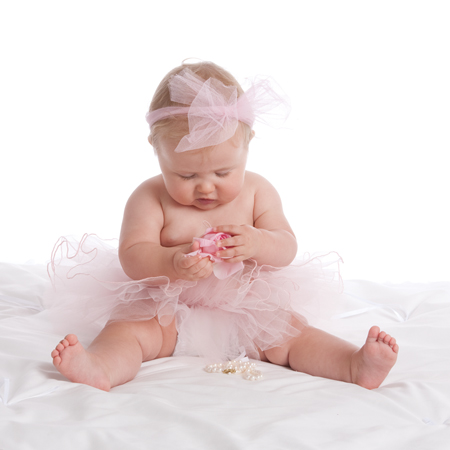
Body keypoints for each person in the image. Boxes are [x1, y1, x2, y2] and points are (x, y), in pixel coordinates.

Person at [51, 61, 398, 392]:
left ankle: (353, 364)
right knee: (126, 331)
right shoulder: (149, 197)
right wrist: (171, 262)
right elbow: (133, 255)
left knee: (292, 334)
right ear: (157, 150)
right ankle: (100, 367)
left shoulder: (258, 192)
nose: (205, 187)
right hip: (166, 311)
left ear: (247, 145)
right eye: (186, 175)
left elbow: (286, 245)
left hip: (247, 311)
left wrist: (259, 242)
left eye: (223, 173)